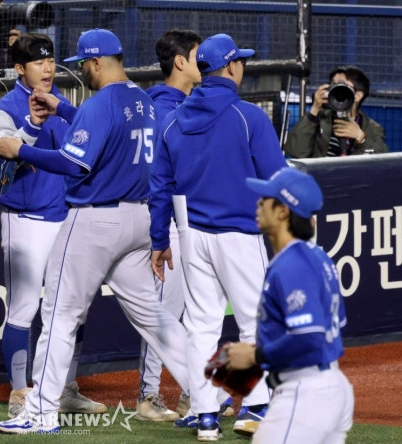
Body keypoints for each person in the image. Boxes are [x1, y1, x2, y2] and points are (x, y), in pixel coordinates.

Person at [0, 27, 195, 434]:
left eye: (84, 63)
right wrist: (64, 109)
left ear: (98, 62)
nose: (80, 70)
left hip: (95, 219)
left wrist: (21, 150)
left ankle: (41, 411)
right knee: (154, 317)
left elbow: (74, 163)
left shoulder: (101, 102)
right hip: (138, 217)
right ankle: (209, 395)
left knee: (59, 315)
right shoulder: (144, 98)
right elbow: (109, 130)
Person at [149, 33, 287, 441]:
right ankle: (257, 408)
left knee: (201, 326)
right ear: (230, 67)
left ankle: (206, 415)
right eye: (239, 61)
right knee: (255, 323)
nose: (242, 66)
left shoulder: (173, 119)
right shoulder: (248, 116)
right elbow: (278, 180)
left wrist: (160, 240)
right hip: (239, 235)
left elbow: (159, 186)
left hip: (193, 237)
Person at [0, 32, 105, 420]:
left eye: (51, 60)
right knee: (23, 308)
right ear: (20, 69)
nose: (48, 68)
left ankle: (65, 387)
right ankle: (20, 392)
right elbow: (1, 168)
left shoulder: (62, 103)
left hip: (64, 213)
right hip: (25, 218)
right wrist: (33, 127)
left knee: (74, 308)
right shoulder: (4, 109)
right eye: (39, 62)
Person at [225, 167, 355, 443]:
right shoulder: (317, 257)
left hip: (304, 392)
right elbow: (333, 325)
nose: (258, 204)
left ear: (283, 211)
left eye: (266, 199)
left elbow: (308, 336)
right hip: (328, 385)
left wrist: (255, 356)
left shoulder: (292, 265)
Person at [133, 28, 203, 423]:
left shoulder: (179, 104)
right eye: (196, 55)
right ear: (180, 62)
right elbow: (158, 177)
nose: (202, 61)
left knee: (188, 313)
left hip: (185, 222)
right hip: (163, 221)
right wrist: (160, 231)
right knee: (163, 310)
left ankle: (191, 395)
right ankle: (148, 396)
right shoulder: (162, 108)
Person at [283, 65, 388, 157]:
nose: (336, 88)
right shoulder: (319, 119)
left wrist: (361, 138)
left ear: (358, 95)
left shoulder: (371, 127)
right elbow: (296, 152)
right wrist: (314, 109)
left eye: (341, 85)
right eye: (333, 84)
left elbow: (382, 160)